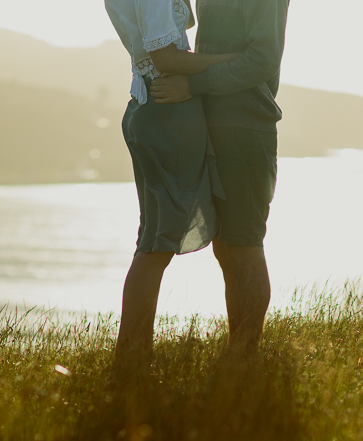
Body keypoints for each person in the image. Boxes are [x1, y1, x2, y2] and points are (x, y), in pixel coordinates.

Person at [151, 0, 288, 353]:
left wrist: (194, 86)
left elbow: (263, 57)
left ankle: (245, 358)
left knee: (242, 245)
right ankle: (237, 352)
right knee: (226, 248)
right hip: (213, 123)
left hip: (244, 126)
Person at [105, 0, 238, 362]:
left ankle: (132, 354)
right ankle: (132, 358)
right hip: (167, 113)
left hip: (147, 106)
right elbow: (165, 58)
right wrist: (228, 61)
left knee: (152, 239)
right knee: (157, 244)